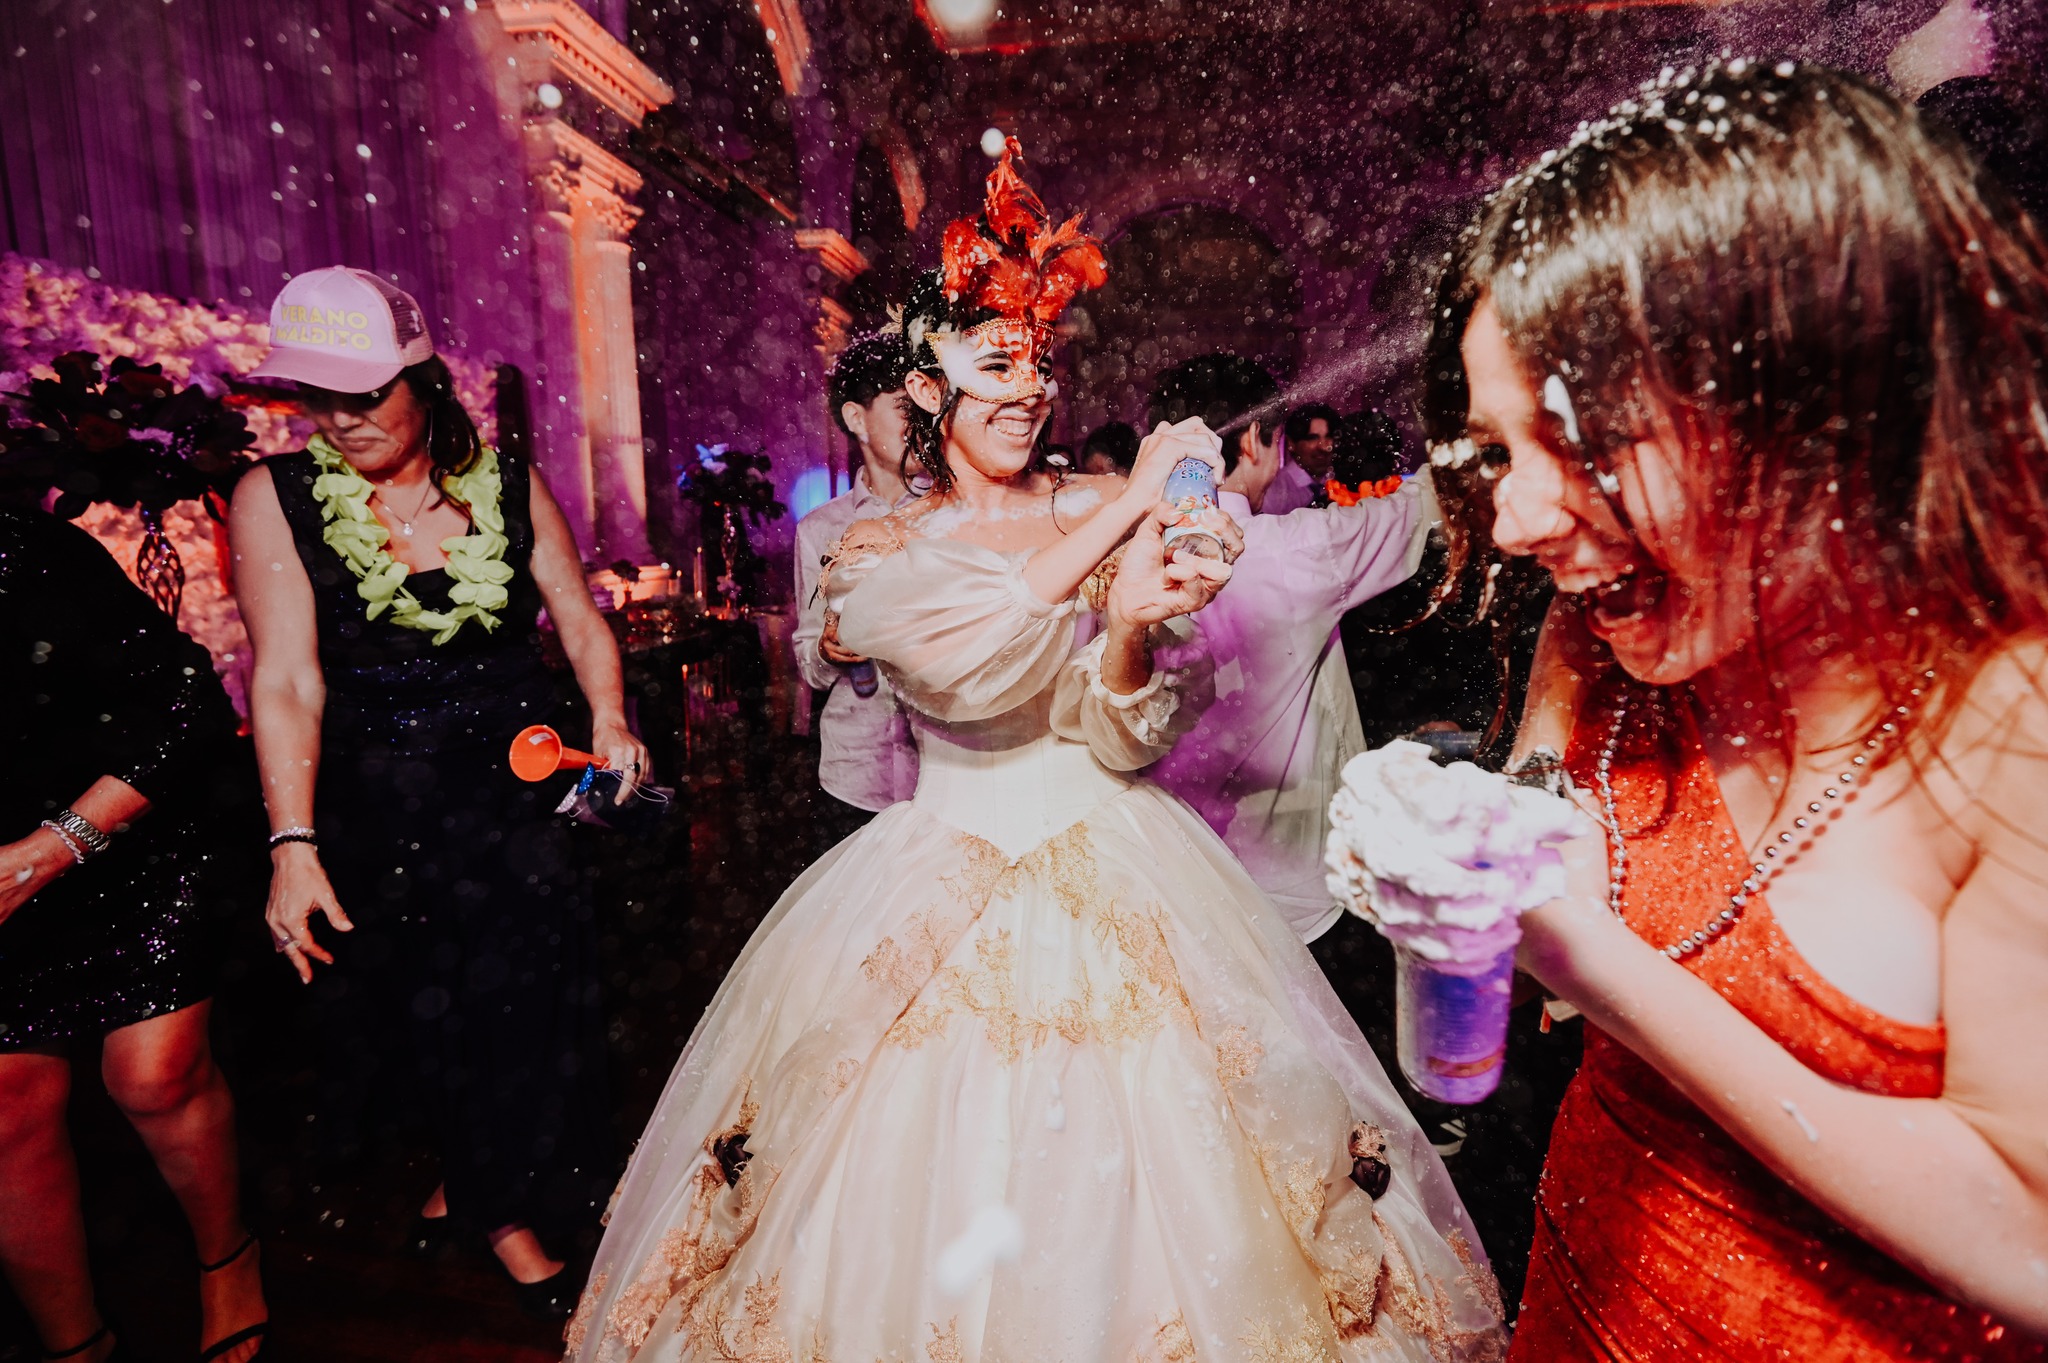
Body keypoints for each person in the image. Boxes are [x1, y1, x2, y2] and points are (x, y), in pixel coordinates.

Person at [566, 141, 1504, 1362]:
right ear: (925, 384)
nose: (1026, 390)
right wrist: (1127, 510)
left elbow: (1119, 732)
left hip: (1119, 856)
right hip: (932, 862)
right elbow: (973, 654)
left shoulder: (1088, 510)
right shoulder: (872, 547)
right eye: (994, 364)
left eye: (1038, 363)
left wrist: (1131, 629)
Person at [1426, 59, 2048, 1357]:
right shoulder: (1608, 631)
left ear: (1810, 402)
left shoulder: (2011, 715)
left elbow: (2031, 1245)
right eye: (1495, 452)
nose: (1517, 520)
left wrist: (1592, 960)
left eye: (1577, 441)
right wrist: (1496, 836)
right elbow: (1544, 792)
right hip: (1580, 1294)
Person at [230, 267, 646, 1318]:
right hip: (385, 809)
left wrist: (609, 717)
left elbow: (577, 615)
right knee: (443, 1012)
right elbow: (285, 680)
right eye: (318, 396)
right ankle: (501, 1216)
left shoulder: (507, 483)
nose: (341, 419)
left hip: (519, 789)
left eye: (364, 392)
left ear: (422, 379)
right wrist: (292, 842)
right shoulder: (274, 497)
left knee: (536, 1000)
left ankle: (476, 1185)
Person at [0, 509, 267, 1363]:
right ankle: (75, 1345)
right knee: (6, 1106)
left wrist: (49, 850)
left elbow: (187, 704)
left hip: (128, 839)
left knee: (152, 1078)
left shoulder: (21, 547)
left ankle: (227, 1254)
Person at [1146, 359, 1432, 941]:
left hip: (1172, 873)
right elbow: (1413, 510)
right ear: (1255, 438)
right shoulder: (1294, 548)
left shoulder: (1126, 561)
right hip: (1292, 880)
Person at [792, 331, 920, 850]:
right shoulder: (820, 529)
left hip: (944, 776)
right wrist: (828, 650)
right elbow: (808, 661)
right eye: (905, 406)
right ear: (857, 419)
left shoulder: (953, 515)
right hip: (854, 774)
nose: (922, 420)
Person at [1265, 401, 1338, 514]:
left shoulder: (1339, 484)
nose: (1324, 447)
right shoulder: (1274, 491)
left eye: (1328, 437)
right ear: (1291, 443)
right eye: (1312, 438)